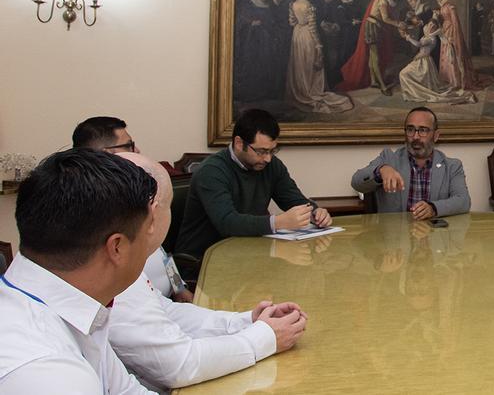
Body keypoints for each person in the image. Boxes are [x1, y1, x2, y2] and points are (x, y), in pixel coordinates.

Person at [108, 153, 308, 391]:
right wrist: (264, 338)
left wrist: (245, 322)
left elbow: (165, 311)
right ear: (152, 215)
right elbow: (178, 364)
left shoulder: (121, 261)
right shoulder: (113, 272)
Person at [0, 148, 159, 392]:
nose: (153, 237)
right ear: (117, 246)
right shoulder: (48, 374)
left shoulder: (74, 305)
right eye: (150, 226)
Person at [174, 109, 332, 273]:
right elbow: (227, 223)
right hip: (204, 262)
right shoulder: (211, 171)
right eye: (261, 151)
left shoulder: (271, 166)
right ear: (239, 143)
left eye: (272, 150)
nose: (268, 158)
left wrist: (314, 212)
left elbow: (293, 199)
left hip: (249, 255)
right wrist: (278, 222)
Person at [71, 116, 192, 303]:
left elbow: (161, 252)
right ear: (106, 154)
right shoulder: (92, 209)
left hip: (168, 302)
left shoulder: (136, 190)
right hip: (143, 311)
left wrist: (179, 285)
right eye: (129, 145)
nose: (137, 150)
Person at [351, 107, 471, 217]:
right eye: (410, 130)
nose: (415, 137)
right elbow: (356, 182)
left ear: (436, 135)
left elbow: (463, 201)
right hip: (396, 237)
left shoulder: (452, 166)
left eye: (423, 130)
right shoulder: (389, 159)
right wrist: (380, 171)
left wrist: (433, 208)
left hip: (436, 235)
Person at [285, 0, 353, 113]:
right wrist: (318, 44)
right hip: (308, 36)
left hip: (297, 35)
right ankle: (311, 90)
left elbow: (292, 22)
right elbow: (312, 28)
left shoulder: (292, 4)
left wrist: (300, 24)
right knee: (311, 63)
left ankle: (301, 90)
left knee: (301, 64)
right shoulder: (309, 5)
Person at [337, 0, 407, 95]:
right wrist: (398, 23)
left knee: (372, 57)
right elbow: (385, 19)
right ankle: (383, 86)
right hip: (372, 28)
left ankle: (374, 81)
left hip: (374, 27)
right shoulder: (383, 1)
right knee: (375, 57)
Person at [392, 19, 476, 104]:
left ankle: (415, 92)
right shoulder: (426, 36)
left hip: (425, 62)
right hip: (419, 60)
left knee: (404, 73)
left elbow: (419, 44)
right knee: (403, 73)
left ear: (435, 29)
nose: (431, 27)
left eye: (433, 26)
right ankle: (410, 92)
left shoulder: (432, 38)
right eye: (430, 25)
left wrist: (409, 38)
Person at [435, 0, 493, 90]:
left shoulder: (450, 6)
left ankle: (455, 80)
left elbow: (455, 22)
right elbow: (442, 19)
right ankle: (447, 78)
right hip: (444, 30)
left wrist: (453, 36)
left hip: (451, 31)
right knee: (445, 54)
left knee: (452, 54)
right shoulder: (442, 6)